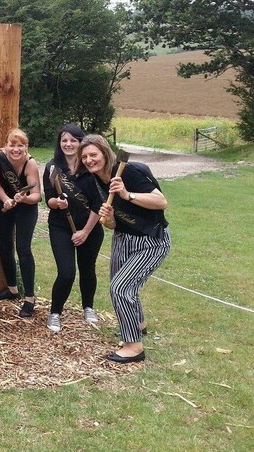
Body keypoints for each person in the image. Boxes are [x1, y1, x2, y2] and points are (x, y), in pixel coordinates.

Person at [80, 134, 170, 364]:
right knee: (123, 287)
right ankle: (138, 324)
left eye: (93, 154)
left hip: (151, 240)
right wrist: (109, 219)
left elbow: (161, 202)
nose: (89, 160)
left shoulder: (128, 172)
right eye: (85, 157)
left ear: (105, 152)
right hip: (123, 239)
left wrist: (126, 194)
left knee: (121, 288)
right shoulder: (94, 182)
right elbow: (112, 225)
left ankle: (133, 346)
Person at [42, 124, 104, 333]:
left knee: (88, 270)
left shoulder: (92, 168)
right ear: (59, 144)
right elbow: (49, 198)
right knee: (67, 272)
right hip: (61, 227)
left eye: (73, 140)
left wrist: (85, 231)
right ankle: (55, 313)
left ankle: (88, 307)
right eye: (64, 140)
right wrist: (56, 203)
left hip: (90, 228)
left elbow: (98, 204)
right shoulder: (52, 168)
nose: (68, 144)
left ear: (80, 142)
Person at [0, 128, 42, 318]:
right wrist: (5, 199)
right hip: (4, 204)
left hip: (26, 208)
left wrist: (23, 199)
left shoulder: (30, 164)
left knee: (23, 248)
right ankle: (12, 290)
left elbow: (36, 195)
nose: (16, 149)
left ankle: (29, 298)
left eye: (20, 145)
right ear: (6, 146)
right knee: (5, 246)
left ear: (26, 147)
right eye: (12, 145)